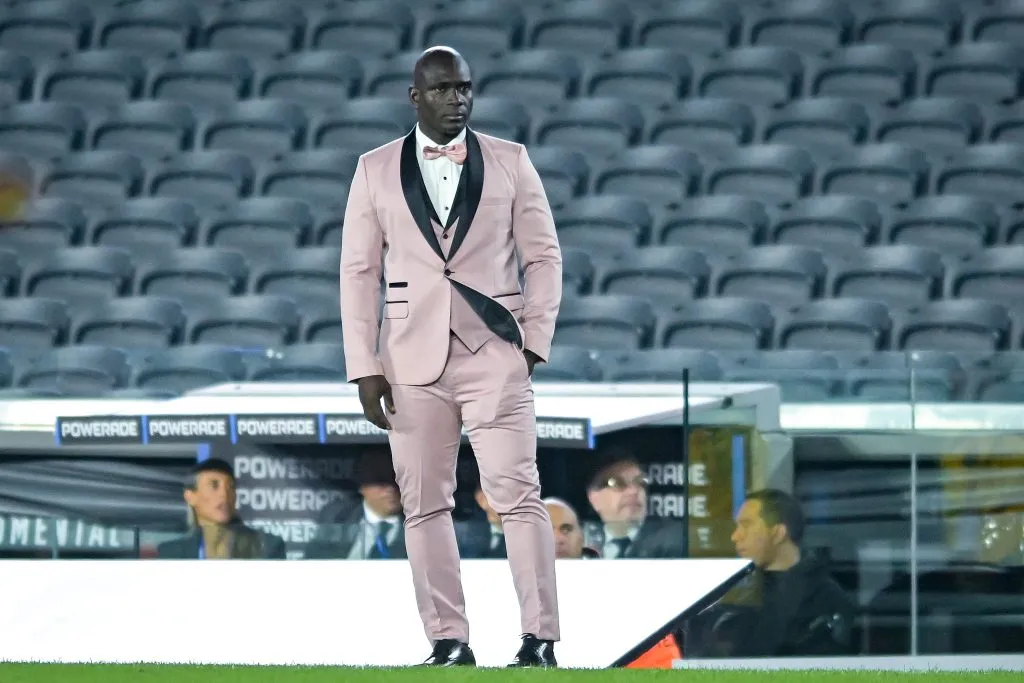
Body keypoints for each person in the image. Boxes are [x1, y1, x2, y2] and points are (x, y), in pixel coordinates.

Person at [340, 46, 562, 668]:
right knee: (424, 504)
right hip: (410, 362)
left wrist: (533, 343)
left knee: (518, 495)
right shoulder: (374, 168)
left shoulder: (513, 161)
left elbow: (544, 257)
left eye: (465, 88)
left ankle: (539, 639)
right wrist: (364, 365)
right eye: (443, 90)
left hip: (497, 354)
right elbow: (358, 272)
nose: (457, 98)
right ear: (417, 97)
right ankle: (449, 640)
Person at [684, 489, 856, 657]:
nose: (735, 536)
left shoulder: (826, 600)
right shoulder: (738, 598)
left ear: (778, 533)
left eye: (746, 525)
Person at [157, 458, 286, 560]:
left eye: (231, 487)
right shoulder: (170, 552)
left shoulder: (267, 546)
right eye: (214, 485)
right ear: (190, 497)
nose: (225, 494)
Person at [585, 453, 687, 559]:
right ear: (594, 498)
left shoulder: (675, 539)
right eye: (618, 483)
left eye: (640, 482)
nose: (634, 491)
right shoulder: (581, 541)